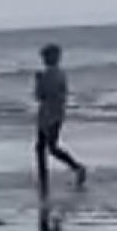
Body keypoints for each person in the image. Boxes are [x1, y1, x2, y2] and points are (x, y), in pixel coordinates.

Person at [34, 43, 86, 196]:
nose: (44, 59)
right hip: (54, 114)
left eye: (46, 57)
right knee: (43, 147)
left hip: (48, 115)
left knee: (48, 147)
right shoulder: (60, 74)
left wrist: (38, 81)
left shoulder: (48, 75)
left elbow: (40, 95)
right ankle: (45, 177)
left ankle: (75, 168)